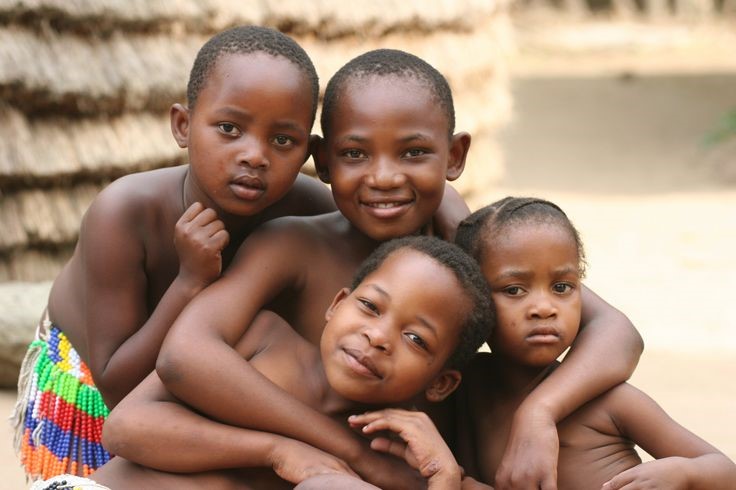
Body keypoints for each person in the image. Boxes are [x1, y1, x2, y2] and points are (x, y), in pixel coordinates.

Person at [152, 48, 642, 489]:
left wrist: (539, 412)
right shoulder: (293, 245)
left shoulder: (466, 244)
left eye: (413, 153)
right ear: (322, 161)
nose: (384, 178)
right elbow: (184, 356)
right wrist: (346, 452)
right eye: (354, 154)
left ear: (454, 157)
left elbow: (616, 332)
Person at [12, 25, 337, 481]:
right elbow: (120, 387)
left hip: (210, 384)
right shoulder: (124, 214)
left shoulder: (310, 209)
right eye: (229, 128)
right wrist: (190, 282)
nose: (255, 155)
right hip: (95, 392)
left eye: (284, 141)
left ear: (312, 150)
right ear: (183, 126)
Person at [50, 236, 494, 490]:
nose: (377, 338)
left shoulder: (398, 451)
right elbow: (126, 428)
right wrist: (276, 451)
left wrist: (444, 476)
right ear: (336, 304)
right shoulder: (262, 340)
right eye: (370, 308)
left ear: (441, 383)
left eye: (415, 338)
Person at [452, 197, 736, 489]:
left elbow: (726, 471)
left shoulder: (610, 400)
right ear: (473, 299)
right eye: (514, 290)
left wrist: (681, 474)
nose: (544, 307)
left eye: (562, 287)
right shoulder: (463, 387)